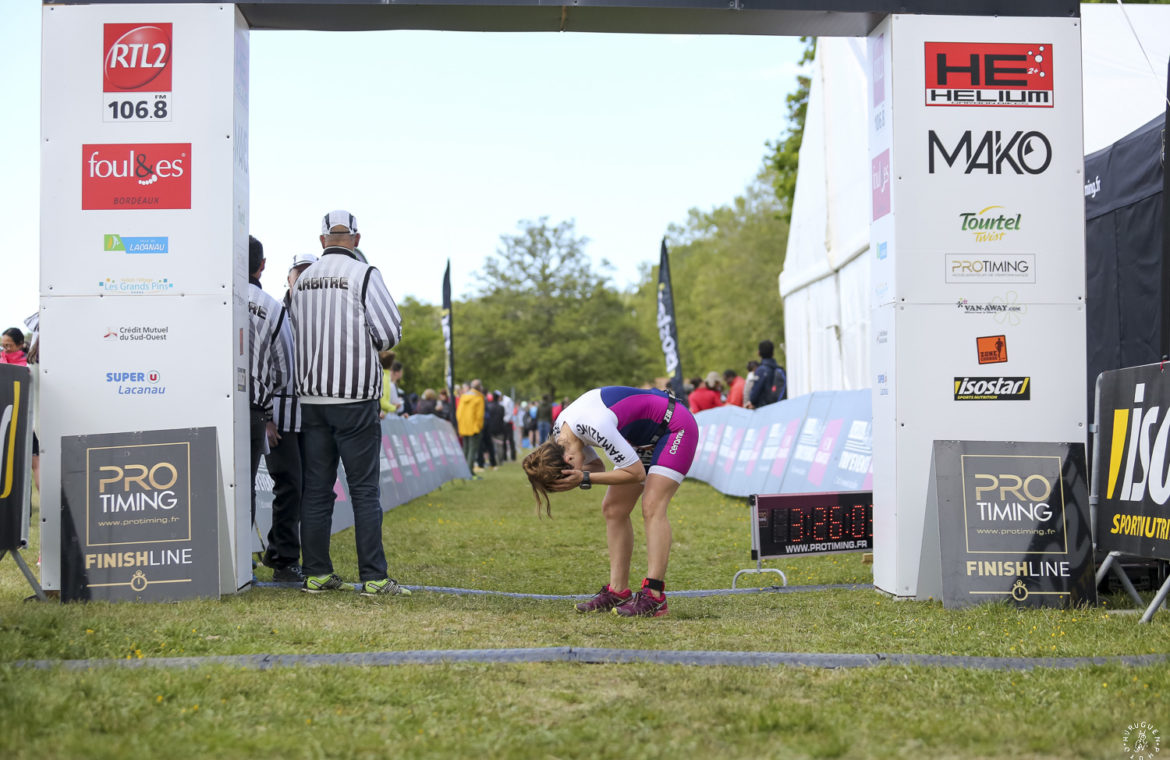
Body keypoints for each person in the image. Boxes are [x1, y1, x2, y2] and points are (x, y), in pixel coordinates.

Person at [288, 209, 409, 596]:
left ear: (322, 240)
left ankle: (317, 573)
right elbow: (390, 333)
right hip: (354, 397)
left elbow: (291, 336)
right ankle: (373, 578)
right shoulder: (365, 274)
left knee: (317, 490)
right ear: (355, 239)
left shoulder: (302, 280)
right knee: (364, 491)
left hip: (310, 398)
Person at [522, 386, 699, 618]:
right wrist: (582, 476)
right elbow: (597, 467)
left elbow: (635, 474)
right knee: (613, 509)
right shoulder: (561, 436)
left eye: (566, 475)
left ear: (567, 459)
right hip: (642, 438)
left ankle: (654, 595)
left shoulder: (594, 425)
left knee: (652, 505)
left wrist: (583, 477)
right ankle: (618, 591)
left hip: (674, 427)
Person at [260, 252, 318, 582]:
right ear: (288, 279)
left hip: (310, 415)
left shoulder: (321, 316)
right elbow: (265, 365)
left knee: (309, 487)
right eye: (300, 276)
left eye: (312, 276)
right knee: (290, 486)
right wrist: (267, 417)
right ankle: (283, 560)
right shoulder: (272, 311)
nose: (306, 282)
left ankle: (278, 552)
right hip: (278, 417)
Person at [246, 236, 296, 582]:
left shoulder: (205, 299)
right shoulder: (272, 307)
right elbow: (284, 370)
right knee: (249, 483)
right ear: (262, 266)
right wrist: (268, 412)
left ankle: (229, 559)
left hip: (204, 405)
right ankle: (244, 562)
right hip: (254, 409)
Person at [457, 379, 486, 475]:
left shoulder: (464, 396)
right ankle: (469, 472)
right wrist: (479, 427)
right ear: (479, 387)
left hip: (463, 426)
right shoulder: (479, 397)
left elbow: (459, 413)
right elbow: (479, 415)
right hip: (474, 427)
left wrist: (460, 426)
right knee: (472, 450)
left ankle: (463, 471)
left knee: (465, 449)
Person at [747, 340, 786, 409]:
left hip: (764, 409)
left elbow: (754, 395)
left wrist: (752, 402)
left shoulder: (761, 371)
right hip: (779, 407)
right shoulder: (779, 369)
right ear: (773, 353)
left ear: (758, 353)